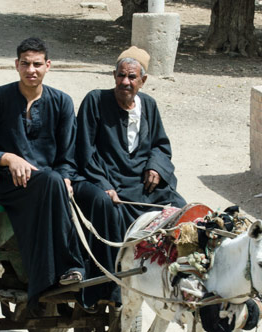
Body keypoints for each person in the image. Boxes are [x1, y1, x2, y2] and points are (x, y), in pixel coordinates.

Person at [0, 37, 86, 313]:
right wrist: (8, 158)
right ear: (16, 65)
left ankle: (87, 276)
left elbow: (68, 157)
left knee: (78, 190)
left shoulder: (62, 102)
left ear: (48, 66)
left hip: (51, 183)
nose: (31, 70)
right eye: (25, 64)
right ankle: (64, 269)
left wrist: (66, 178)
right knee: (52, 182)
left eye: (37, 64)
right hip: (10, 185)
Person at [72, 46, 186, 309]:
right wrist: (104, 184)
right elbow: (84, 150)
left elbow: (161, 145)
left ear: (142, 81)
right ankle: (111, 285)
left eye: (132, 77)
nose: (125, 82)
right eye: (121, 76)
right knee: (108, 206)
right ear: (114, 76)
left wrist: (156, 167)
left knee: (178, 207)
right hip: (105, 177)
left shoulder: (150, 106)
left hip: (139, 182)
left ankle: (172, 274)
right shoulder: (95, 101)